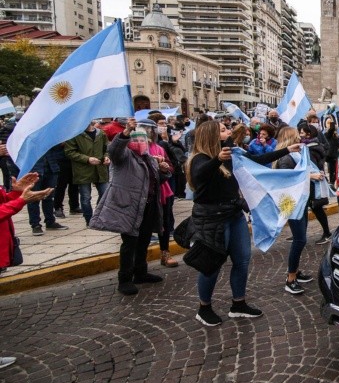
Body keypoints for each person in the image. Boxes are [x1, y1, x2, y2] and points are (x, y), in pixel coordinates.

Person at [186, 120, 300, 326]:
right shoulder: (199, 159)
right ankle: (204, 308)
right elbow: (200, 175)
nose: (228, 131)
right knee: (210, 266)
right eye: (223, 130)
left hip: (234, 215)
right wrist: (217, 160)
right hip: (211, 220)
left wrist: (285, 150)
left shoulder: (232, 154)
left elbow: (257, 160)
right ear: (211, 135)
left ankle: (238, 304)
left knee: (242, 260)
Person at [89, 122, 169, 295]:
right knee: (129, 243)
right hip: (128, 207)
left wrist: (163, 171)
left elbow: (154, 180)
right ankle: (124, 278)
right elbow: (114, 151)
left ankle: (140, 272)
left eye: (143, 139)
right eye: (137, 139)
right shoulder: (124, 156)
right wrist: (125, 132)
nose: (141, 142)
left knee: (144, 240)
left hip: (147, 206)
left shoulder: (148, 158)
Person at [274, 127, 324, 294]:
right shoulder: (285, 158)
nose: (300, 139)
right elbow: (287, 179)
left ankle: (294, 270)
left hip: (299, 202)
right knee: (300, 240)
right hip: (291, 203)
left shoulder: (295, 155)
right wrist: (311, 176)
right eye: (297, 136)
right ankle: (290, 278)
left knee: (300, 239)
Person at [138, 118, 179, 268]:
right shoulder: (134, 148)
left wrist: (164, 166)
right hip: (144, 192)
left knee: (165, 222)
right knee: (144, 226)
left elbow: (171, 166)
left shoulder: (159, 147)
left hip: (162, 190)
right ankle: (140, 262)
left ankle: (165, 252)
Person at [64, 120, 110, 226]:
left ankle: (98, 216)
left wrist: (107, 157)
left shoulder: (101, 133)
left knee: (105, 194)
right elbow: (69, 152)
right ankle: (89, 220)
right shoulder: (75, 134)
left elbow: (107, 148)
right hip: (83, 170)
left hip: (100, 169)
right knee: (86, 197)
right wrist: (87, 159)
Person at [298, 123, 331, 245]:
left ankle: (327, 233)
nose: (299, 135)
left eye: (301, 133)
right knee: (307, 207)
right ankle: (301, 233)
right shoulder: (308, 147)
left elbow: (313, 167)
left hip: (314, 181)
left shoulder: (312, 148)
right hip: (310, 181)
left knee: (316, 207)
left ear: (308, 134)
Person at [25, 146, 68, 236]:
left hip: (51, 167)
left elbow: (59, 150)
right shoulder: (30, 136)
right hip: (35, 169)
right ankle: (35, 225)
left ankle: (50, 221)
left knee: (49, 197)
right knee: (33, 198)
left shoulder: (49, 134)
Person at [324, 116, 339, 184]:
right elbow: (332, 128)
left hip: (335, 155)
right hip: (331, 156)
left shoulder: (336, 136)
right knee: (332, 171)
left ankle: (333, 182)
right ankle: (331, 182)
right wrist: (332, 120)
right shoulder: (327, 134)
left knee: (334, 171)